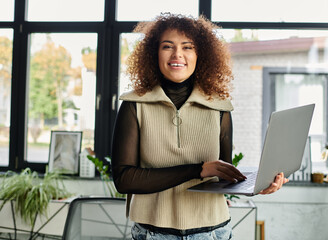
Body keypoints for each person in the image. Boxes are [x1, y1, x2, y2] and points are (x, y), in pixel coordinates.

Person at [111, 13, 288, 240]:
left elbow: (222, 174)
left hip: (213, 232)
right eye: (168, 46)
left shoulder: (220, 107)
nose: (178, 54)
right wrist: (197, 170)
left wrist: (260, 185)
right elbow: (124, 179)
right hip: (152, 233)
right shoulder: (134, 105)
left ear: (200, 55)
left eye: (188, 47)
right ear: (154, 53)